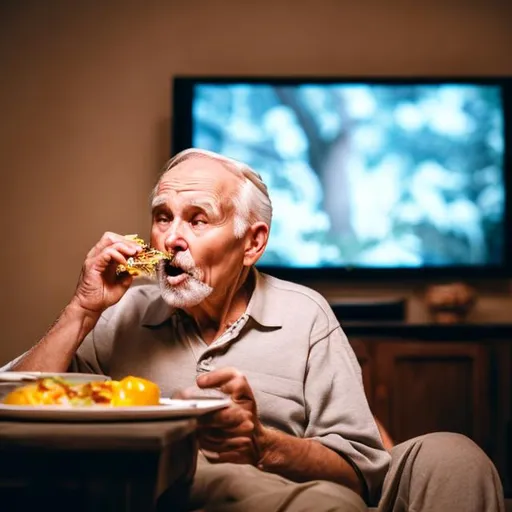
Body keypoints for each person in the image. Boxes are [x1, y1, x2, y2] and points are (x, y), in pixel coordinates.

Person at [3, 149, 505, 512]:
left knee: (454, 457)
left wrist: (263, 444)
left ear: (252, 242)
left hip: (299, 487)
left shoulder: (305, 315)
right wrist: (81, 310)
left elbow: (367, 470)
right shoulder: (120, 314)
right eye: (162, 218)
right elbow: (12, 418)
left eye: (198, 220)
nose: (172, 238)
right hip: (175, 494)